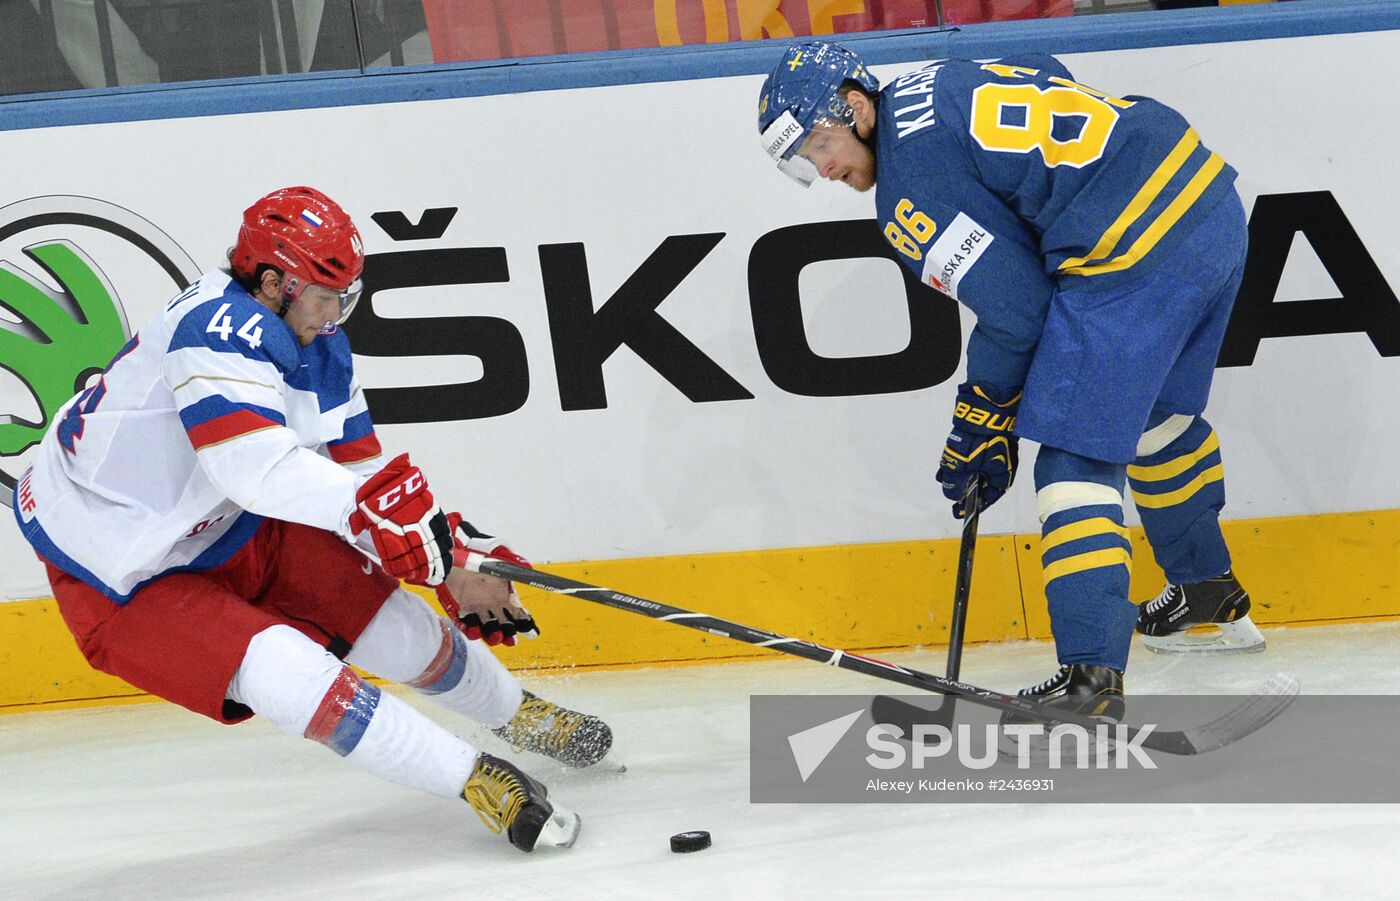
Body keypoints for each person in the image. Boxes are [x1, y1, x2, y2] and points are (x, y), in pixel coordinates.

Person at [11, 186, 611, 852]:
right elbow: (251, 467)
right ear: (272, 282)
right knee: (287, 673)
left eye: (344, 296)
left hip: (234, 525)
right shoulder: (212, 329)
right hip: (119, 572)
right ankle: (475, 779)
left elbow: (358, 478)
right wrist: (387, 523)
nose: (334, 316)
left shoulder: (318, 343)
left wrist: (448, 554)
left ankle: (516, 713)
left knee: (395, 625)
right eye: (325, 296)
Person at [755, 42, 1264, 718]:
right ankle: (1207, 593)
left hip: (1130, 249)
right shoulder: (936, 78)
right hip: (1204, 197)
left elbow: (1019, 310)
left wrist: (981, 418)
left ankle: (1091, 682)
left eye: (820, 144)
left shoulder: (909, 194)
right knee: (1155, 420)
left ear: (854, 107)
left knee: (1073, 459)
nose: (823, 170)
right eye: (806, 161)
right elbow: (1047, 67)